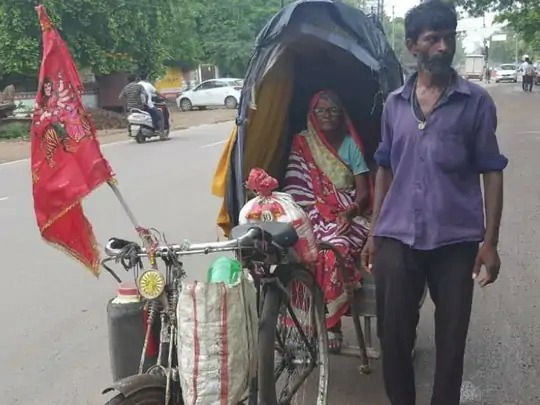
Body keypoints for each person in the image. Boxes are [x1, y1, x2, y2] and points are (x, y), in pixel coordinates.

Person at [362, 1, 507, 404]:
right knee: (393, 338)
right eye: (433, 39)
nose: (444, 47)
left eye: (449, 38)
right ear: (413, 46)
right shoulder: (393, 104)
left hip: (455, 241)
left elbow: (491, 171)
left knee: (451, 341)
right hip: (396, 237)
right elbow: (385, 169)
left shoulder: (476, 103)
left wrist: (490, 242)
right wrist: (374, 231)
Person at [283, 90, 371, 353]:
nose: (327, 115)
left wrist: (350, 212)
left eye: (333, 110)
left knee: (334, 249)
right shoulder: (302, 144)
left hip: (346, 212)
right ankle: (303, 320)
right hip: (310, 212)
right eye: (321, 110)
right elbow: (296, 189)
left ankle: (331, 324)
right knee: (297, 247)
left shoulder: (350, 146)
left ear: (342, 114)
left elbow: (364, 193)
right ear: (312, 115)